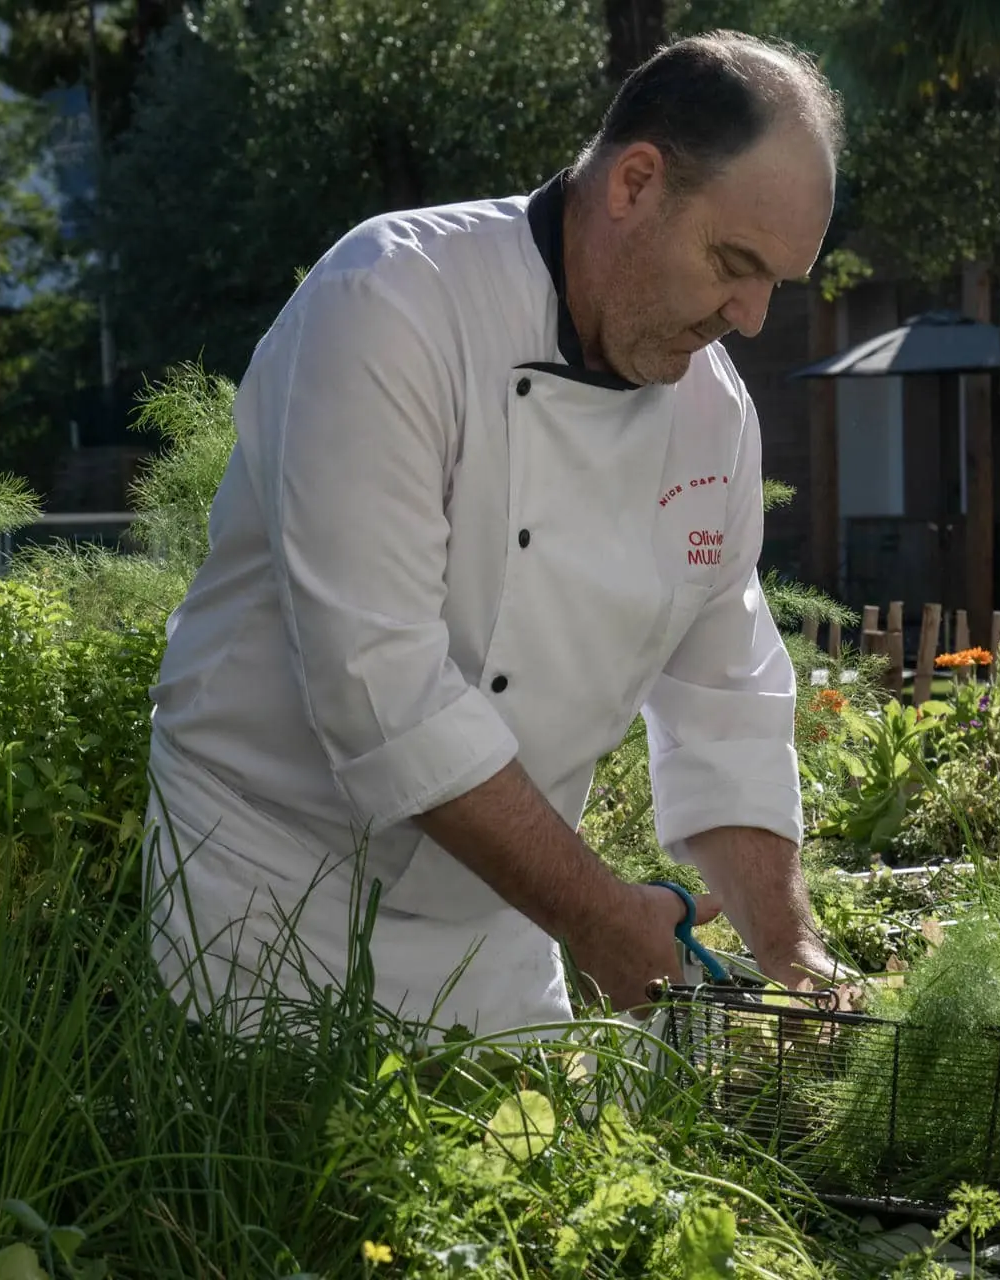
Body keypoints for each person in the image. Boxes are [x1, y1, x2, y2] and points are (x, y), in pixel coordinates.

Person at [143, 31, 844, 1036]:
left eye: (778, 280)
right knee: (274, 1143)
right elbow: (379, 681)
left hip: (501, 912)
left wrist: (789, 947)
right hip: (268, 884)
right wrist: (599, 916)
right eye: (735, 264)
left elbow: (724, 700)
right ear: (635, 184)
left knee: (522, 1142)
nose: (754, 316)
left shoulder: (714, 419)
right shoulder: (391, 302)